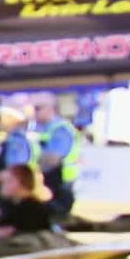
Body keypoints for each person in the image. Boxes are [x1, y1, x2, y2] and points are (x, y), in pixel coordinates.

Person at [32, 93, 80, 222]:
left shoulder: (60, 130)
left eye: (38, 108)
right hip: (51, 182)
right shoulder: (45, 129)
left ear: (51, 108)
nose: (34, 113)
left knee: (56, 218)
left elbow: (53, 159)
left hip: (60, 183)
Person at [0, 164, 53, 238]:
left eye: (8, 180)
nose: (2, 184)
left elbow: (3, 232)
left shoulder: (30, 209)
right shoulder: (15, 205)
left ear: (20, 183)